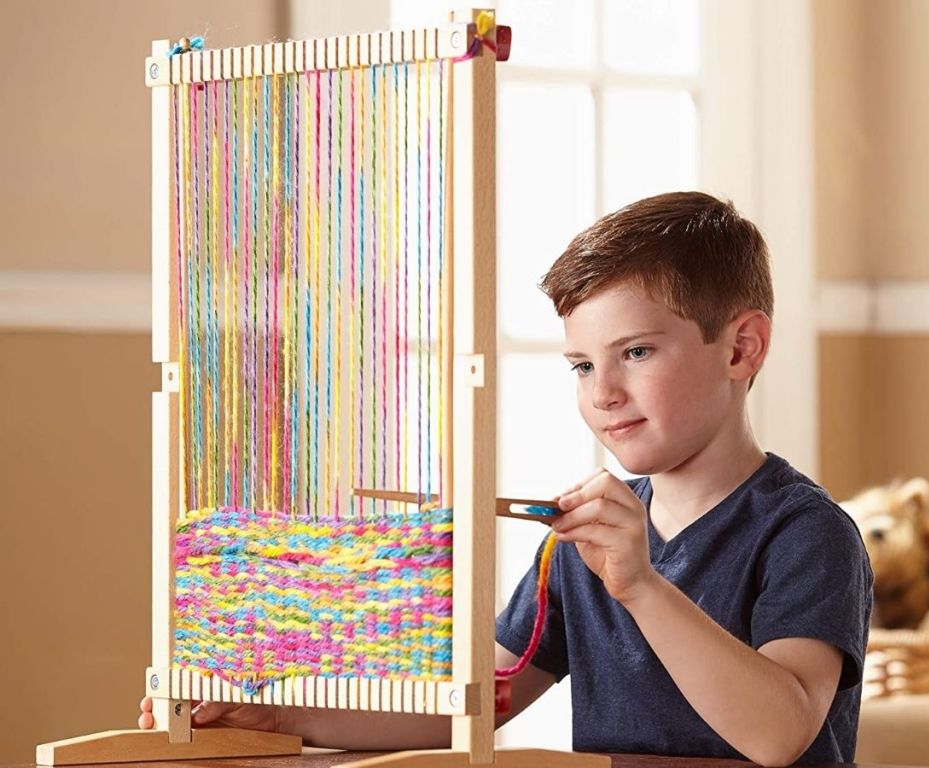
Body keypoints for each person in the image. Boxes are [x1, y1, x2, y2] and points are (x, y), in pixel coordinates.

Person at [140, 191, 872, 767]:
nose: (603, 391)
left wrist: (643, 588)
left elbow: (779, 735)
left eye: (638, 352)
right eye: (582, 365)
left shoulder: (805, 533)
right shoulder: (585, 546)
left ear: (742, 347)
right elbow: (471, 707)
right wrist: (278, 715)